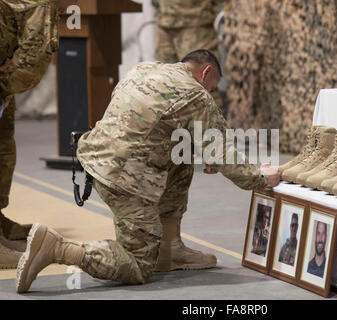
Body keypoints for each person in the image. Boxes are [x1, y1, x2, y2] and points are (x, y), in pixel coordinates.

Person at [15, 49, 281, 293]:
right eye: (211, 88)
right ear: (206, 72)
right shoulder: (196, 94)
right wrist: (259, 177)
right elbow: (221, 154)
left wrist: (199, 146)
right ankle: (57, 248)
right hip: (124, 180)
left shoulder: (143, 69)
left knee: (182, 149)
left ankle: (169, 248)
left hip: (94, 158)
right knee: (138, 265)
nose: (209, 94)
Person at [0, 0, 78, 269]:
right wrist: (5, 85)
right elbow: (31, 63)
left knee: (3, 150)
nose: (74, 5)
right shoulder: (43, 3)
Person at [152, 0, 228, 107]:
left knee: (202, 87)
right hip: (165, 23)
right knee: (167, 87)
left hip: (196, 25)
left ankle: (207, 124)